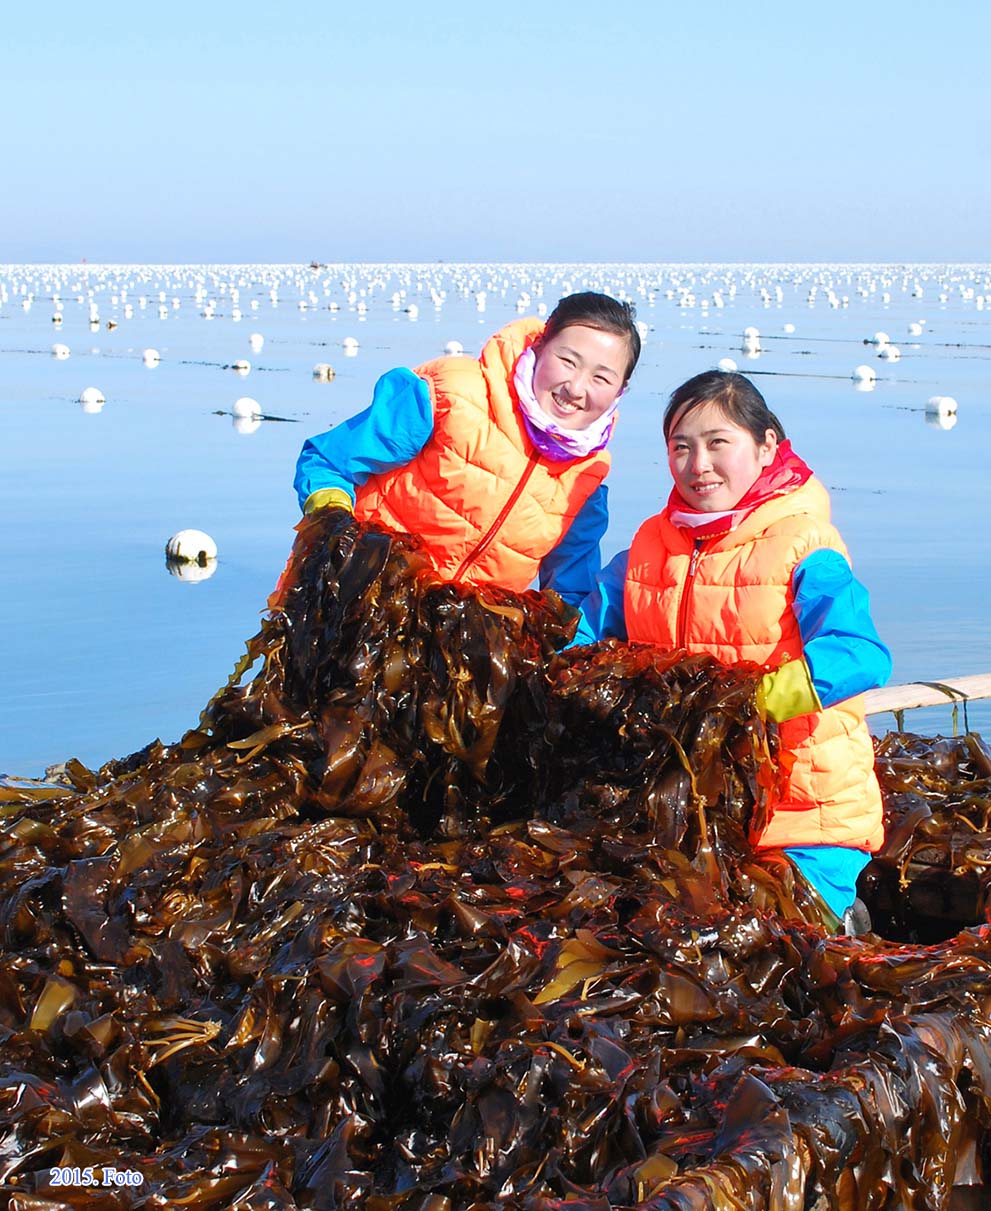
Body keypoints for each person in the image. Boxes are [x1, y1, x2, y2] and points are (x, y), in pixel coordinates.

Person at [572, 369, 891, 926]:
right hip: (685, 804)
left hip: (803, 808)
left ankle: (846, 917)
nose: (699, 466)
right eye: (681, 448)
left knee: (775, 944)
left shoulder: (804, 543)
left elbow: (860, 652)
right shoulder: (649, 547)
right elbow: (583, 633)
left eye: (719, 443)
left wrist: (744, 704)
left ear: (766, 445)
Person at [292, 292, 641, 605]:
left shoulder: (586, 480)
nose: (576, 387)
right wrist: (335, 530)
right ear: (539, 347)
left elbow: (568, 593)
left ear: (620, 390)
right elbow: (328, 462)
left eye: (601, 378)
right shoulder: (450, 395)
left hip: (456, 649)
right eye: (568, 360)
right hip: (350, 602)